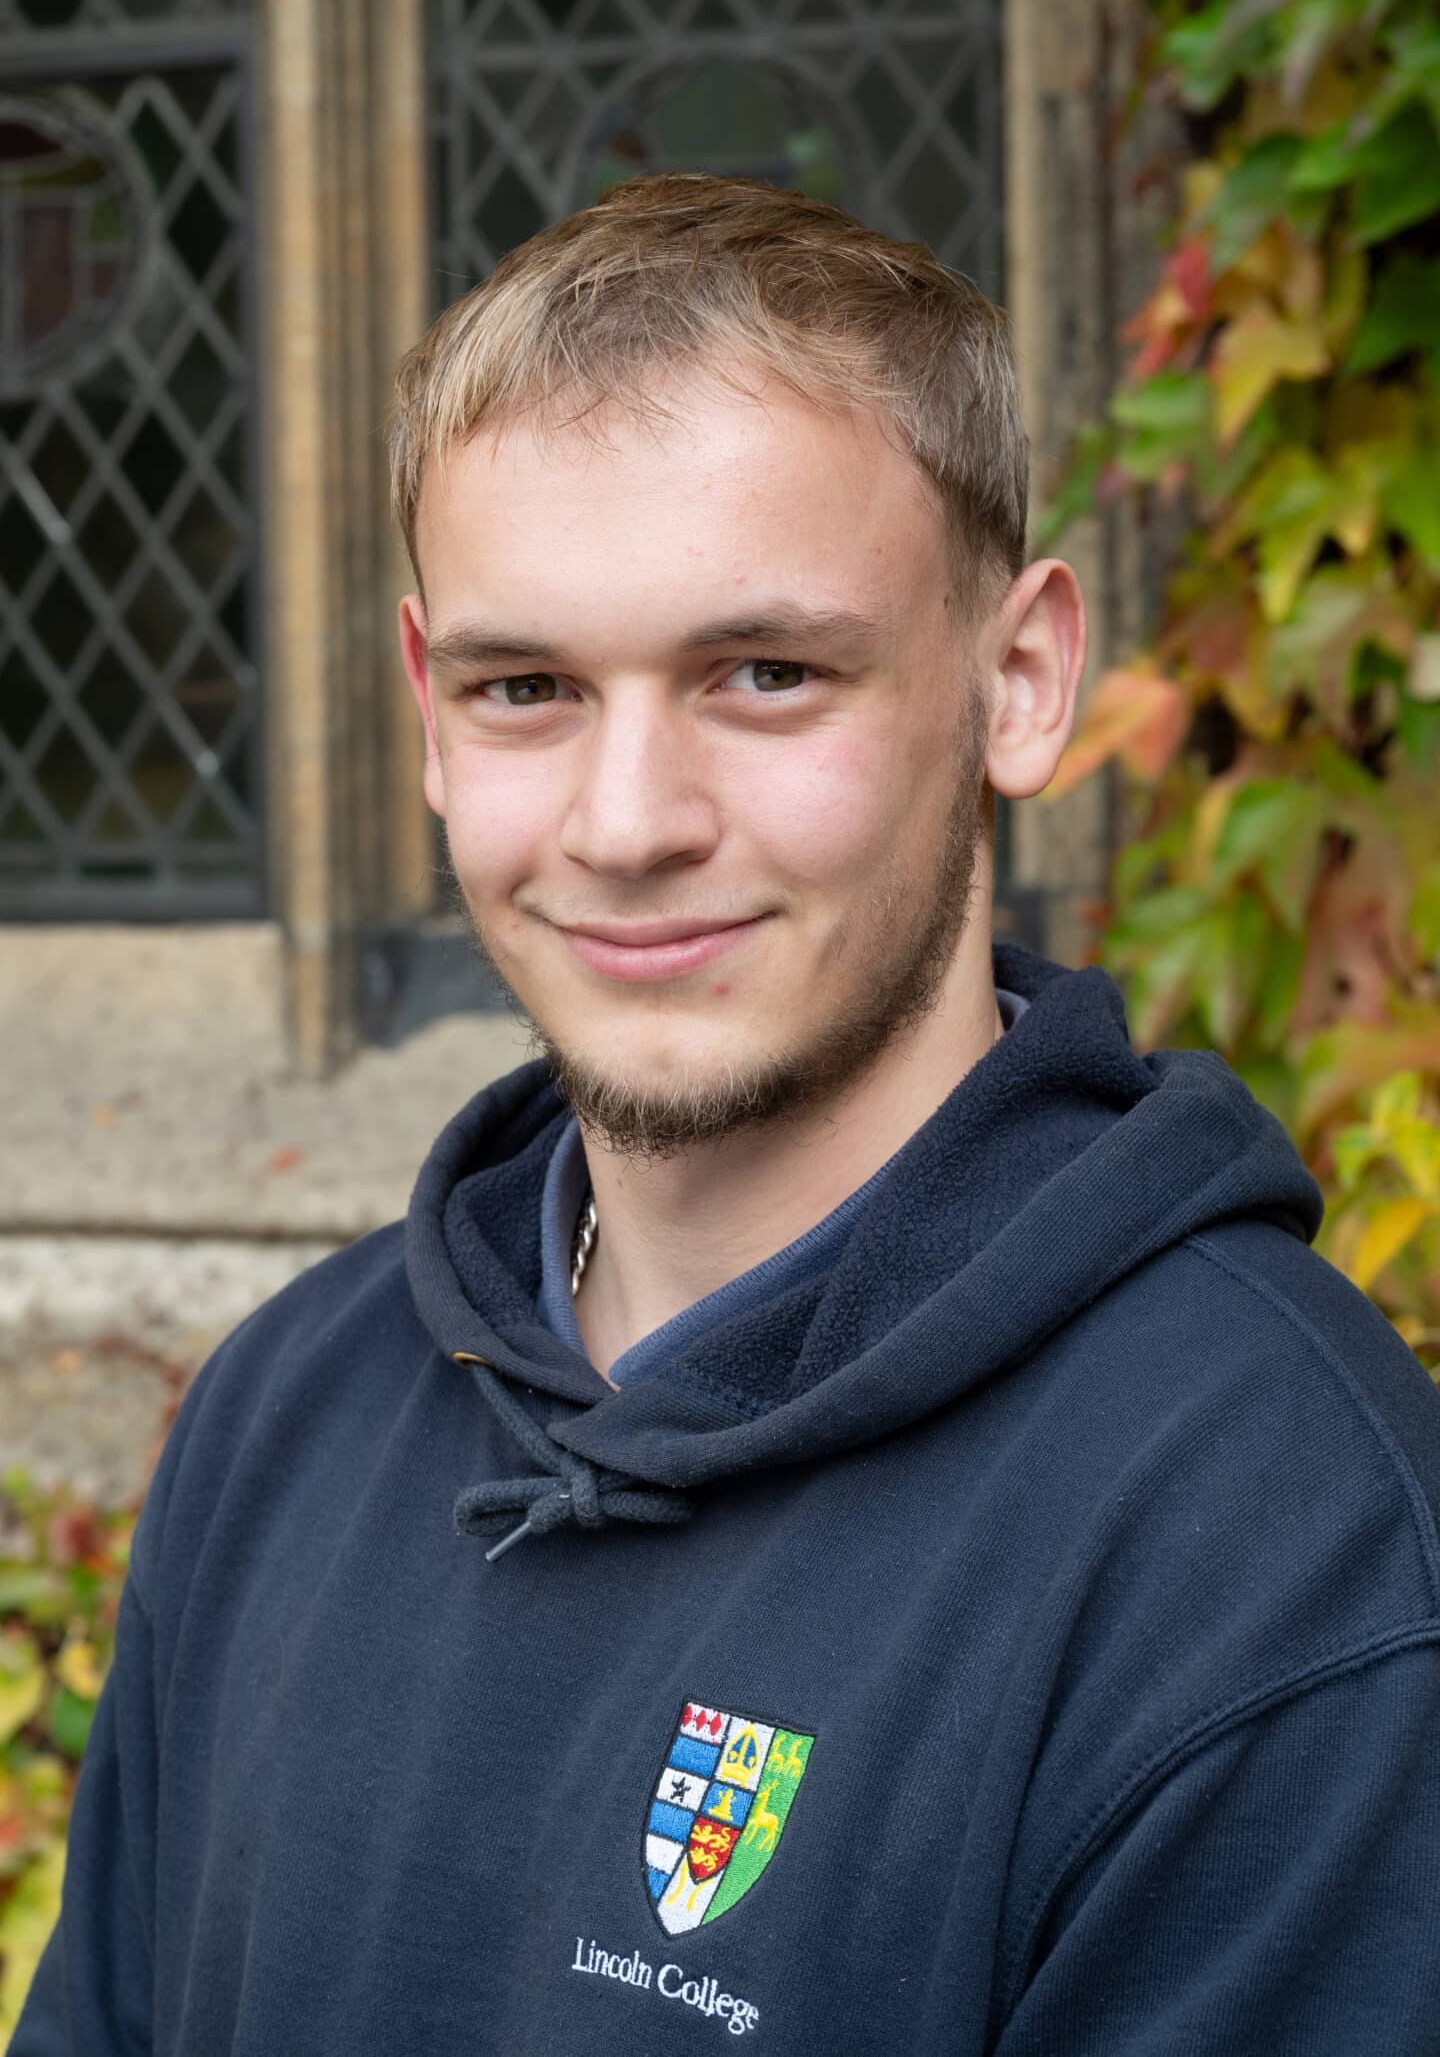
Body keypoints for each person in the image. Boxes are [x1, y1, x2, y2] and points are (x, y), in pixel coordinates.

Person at [17, 173, 1440, 2057]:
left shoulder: (1278, 1553)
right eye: (529, 689)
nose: (627, 823)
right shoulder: (290, 1405)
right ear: (432, 716)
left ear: (1020, 683)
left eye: (765, 674)